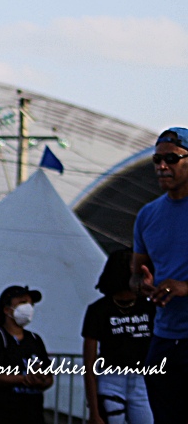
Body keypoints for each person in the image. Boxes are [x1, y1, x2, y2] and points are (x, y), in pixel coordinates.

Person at [130, 127, 188, 424]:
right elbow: (136, 275)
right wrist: (144, 285)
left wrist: (184, 287)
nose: (162, 166)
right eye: (157, 159)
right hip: (164, 338)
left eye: (172, 158)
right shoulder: (147, 215)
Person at [82, 249, 154, 424]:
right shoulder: (99, 310)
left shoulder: (150, 307)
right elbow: (89, 363)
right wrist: (94, 410)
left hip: (142, 380)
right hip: (111, 379)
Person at [0, 285, 53, 424]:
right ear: (6, 310)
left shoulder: (35, 340)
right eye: (23, 303)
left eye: (31, 304)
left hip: (31, 413)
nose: (28, 308)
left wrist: (41, 380)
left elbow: (48, 377)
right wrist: (23, 379)